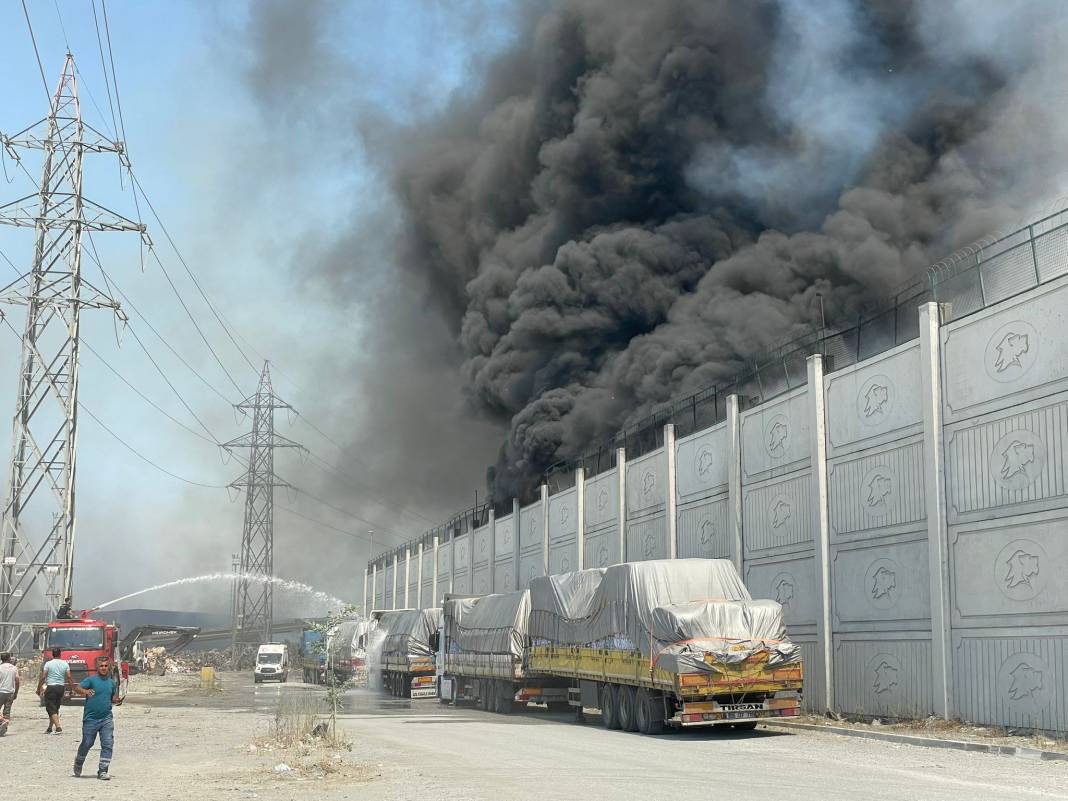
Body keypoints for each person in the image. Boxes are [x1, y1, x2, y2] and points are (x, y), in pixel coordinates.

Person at [72, 656, 122, 780]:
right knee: (87, 743)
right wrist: (86, 692)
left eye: (106, 666)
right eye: (101, 666)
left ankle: (103, 770)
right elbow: (77, 688)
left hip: (106, 719)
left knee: (108, 744)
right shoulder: (91, 680)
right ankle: (79, 761)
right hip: (91, 719)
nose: (104, 668)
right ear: (97, 667)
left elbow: (113, 698)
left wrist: (116, 700)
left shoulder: (112, 683)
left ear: (109, 667)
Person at [37, 647, 75, 734]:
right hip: (61, 688)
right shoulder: (65, 664)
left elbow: (43, 677)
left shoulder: (48, 664)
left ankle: (58, 728)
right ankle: (50, 728)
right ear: (60, 654)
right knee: (55, 708)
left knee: (50, 708)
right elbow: (69, 677)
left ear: (52, 654)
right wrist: (72, 688)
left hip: (51, 687)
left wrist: (38, 688)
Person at [0, 652, 18, 732]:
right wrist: (16, 692)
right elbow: (17, 681)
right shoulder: (14, 668)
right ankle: (4, 725)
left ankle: (2, 721)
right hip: (10, 692)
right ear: (9, 659)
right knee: (7, 711)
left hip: (1, 691)